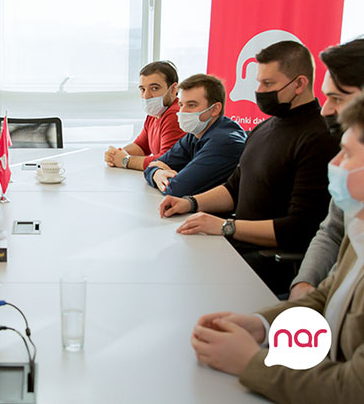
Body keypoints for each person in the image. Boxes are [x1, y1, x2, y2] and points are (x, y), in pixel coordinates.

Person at [190, 93, 364, 403]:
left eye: (347, 154)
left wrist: (251, 361)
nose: (334, 164)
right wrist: (261, 325)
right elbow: (326, 296)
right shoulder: (358, 230)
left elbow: (352, 388)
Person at [159, 41, 338, 294]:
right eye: (259, 82)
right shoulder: (264, 129)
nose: (259, 91)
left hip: (270, 260)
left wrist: (225, 226)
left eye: (269, 84)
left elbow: (299, 228)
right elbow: (234, 188)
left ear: (299, 84)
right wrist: (189, 203)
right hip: (238, 245)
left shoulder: (319, 138)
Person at [290, 38, 364, 300]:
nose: (325, 110)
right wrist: (304, 283)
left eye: (337, 99)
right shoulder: (350, 161)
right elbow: (332, 230)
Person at [143, 74, 246, 197]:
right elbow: (153, 165)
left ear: (215, 109)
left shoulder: (225, 142)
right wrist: (157, 173)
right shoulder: (195, 134)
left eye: (192, 105)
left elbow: (177, 189)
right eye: (181, 105)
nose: (182, 111)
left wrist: (161, 174)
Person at [104, 61, 185, 171]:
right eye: (143, 89)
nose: (146, 96)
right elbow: (141, 146)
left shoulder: (175, 114)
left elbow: (166, 161)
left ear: (173, 89)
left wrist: (125, 161)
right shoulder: (155, 114)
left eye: (155, 88)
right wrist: (116, 155)